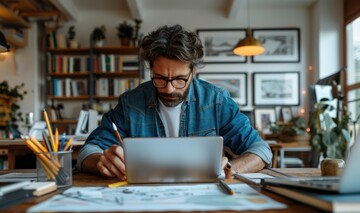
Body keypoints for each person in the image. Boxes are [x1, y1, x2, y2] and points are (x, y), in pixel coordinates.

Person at [78, 24, 272, 180]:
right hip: (144, 200)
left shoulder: (216, 100)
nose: (169, 89)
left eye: (179, 79)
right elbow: (88, 151)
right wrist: (102, 162)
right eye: (160, 78)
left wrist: (231, 168)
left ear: (193, 72)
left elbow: (261, 150)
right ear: (151, 70)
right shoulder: (131, 103)